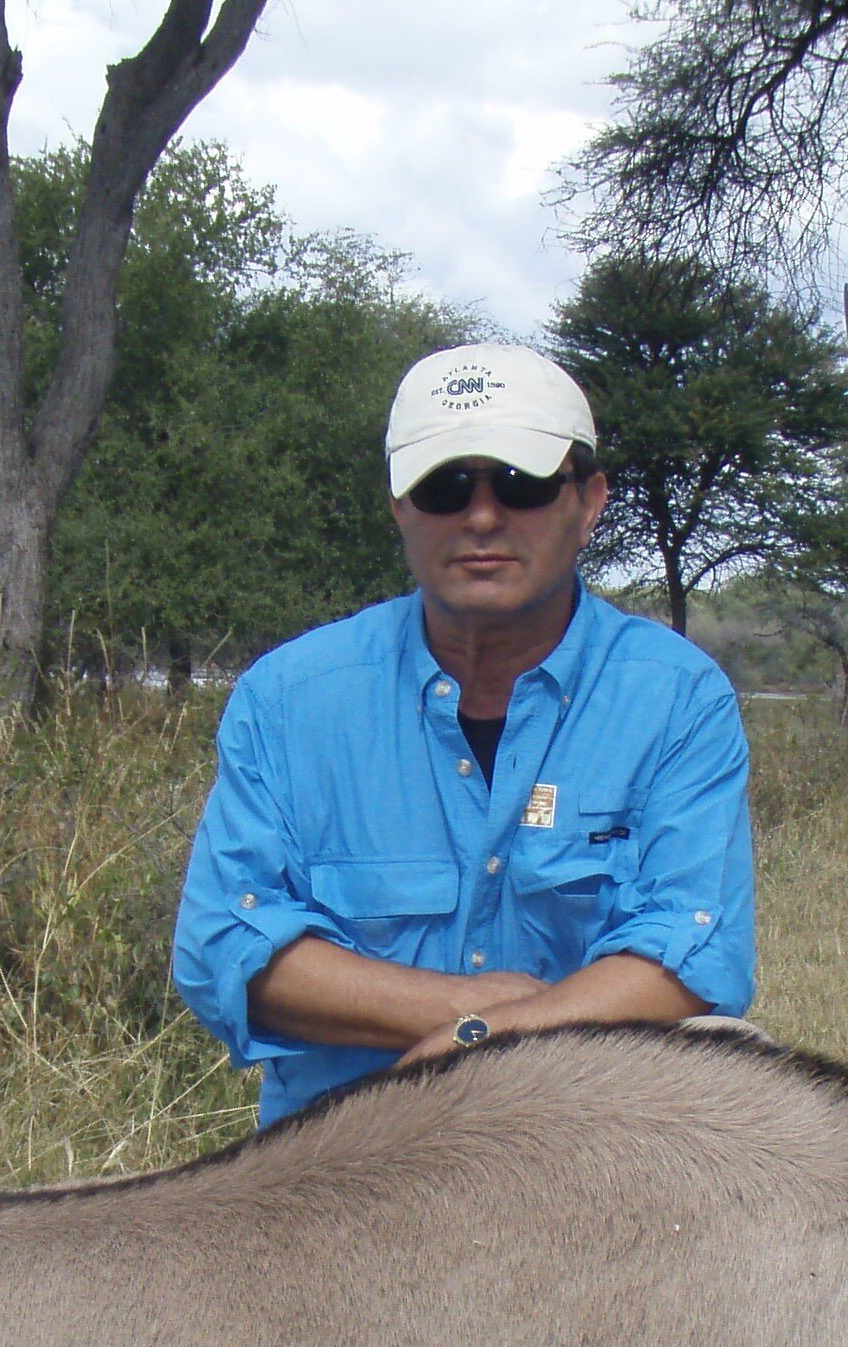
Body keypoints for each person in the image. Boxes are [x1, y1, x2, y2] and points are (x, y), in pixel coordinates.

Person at [171, 342, 755, 1127]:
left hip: (596, 1155)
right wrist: (459, 1007)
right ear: (400, 509)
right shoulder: (286, 701)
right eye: (445, 487)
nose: (482, 516)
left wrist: (487, 1038)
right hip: (339, 1168)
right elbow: (221, 947)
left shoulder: (679, 700)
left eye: (522, 484)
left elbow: (694, 953)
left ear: (590, 504)